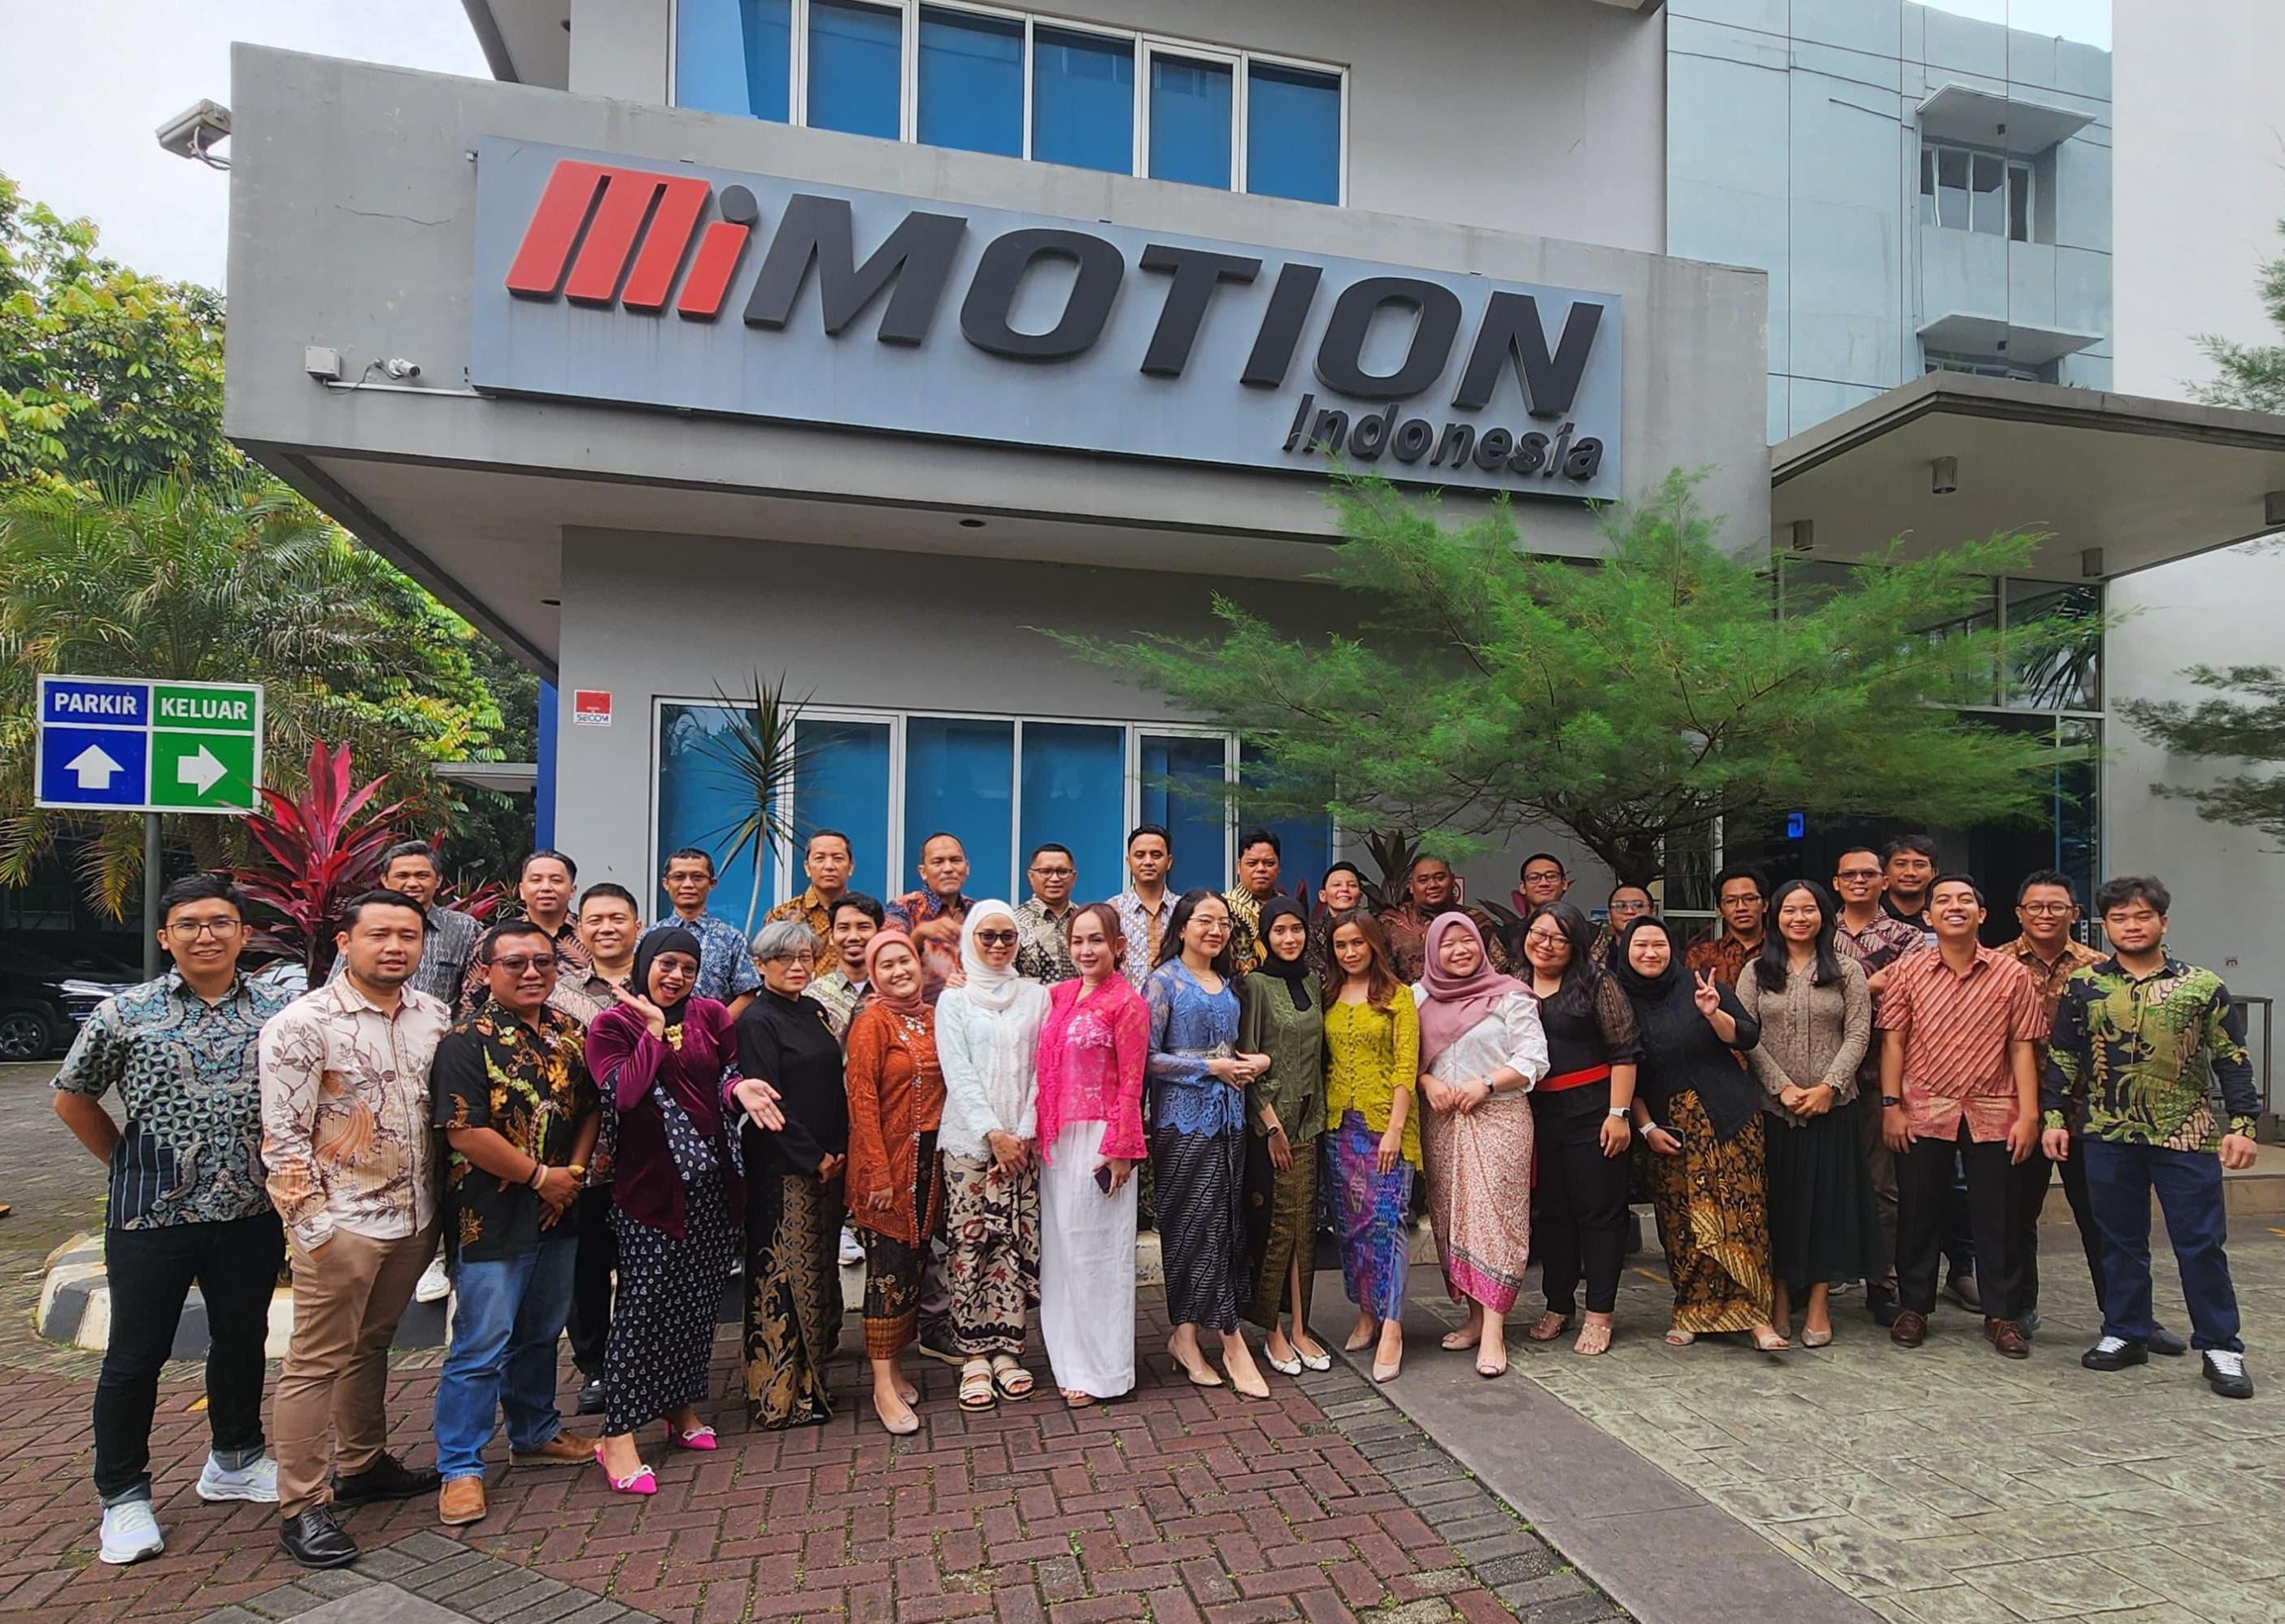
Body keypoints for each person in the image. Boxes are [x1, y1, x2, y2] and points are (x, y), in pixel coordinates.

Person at [52, 874, 291, 1567]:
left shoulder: (276, 1011)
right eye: (188, 924)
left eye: (220, 922)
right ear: (165, 937)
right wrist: (125, 1162)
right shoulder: (126, 1013)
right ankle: (123, 1495)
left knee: (242, 1339)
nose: (206, 934)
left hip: (250, 1210)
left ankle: (236, 1457)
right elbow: (73, 1096)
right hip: (152, 1216)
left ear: (244, 933)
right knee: (135, 1357)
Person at [259, 889, 450, 1568]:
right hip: (343, 1224)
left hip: (415, 1219)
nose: (395, 946)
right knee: (314, 1361)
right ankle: (303, 1506)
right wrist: (315, 1230)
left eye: (408, 934)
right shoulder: (303, 1024)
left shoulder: (435, 1016)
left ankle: (364, 1465)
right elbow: (282, 1141)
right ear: (345, 941)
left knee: (372, 1345)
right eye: (380, 934)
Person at [2045, 877, 2258, 1400]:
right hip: (2108, 1134)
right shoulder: (2086, 985)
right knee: (2118, 1241)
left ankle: (2220, 1345)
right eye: (2119, 918)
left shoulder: (2201, 986)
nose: (2131, 926)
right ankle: (2125, 1330)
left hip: (2185, 1133)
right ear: (2105, 925)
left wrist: (2245, 1124)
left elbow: (2231, 1057)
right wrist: (2052, 1119)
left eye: (2142, 916)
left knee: (2200, 1243)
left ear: (2163, 921)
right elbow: (2064, 1058)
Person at [429, 921, 600, 1526]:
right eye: (515, 962)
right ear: (486, 971)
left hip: (560, 1209)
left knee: (539, 1331)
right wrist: (538, 1178)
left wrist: (572, 1173)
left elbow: (589, 1109)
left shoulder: (569, 1033)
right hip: (491, 1216)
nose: (532, 972)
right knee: (480, 1343)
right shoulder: (464, 1042)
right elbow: (463, 1130)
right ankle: (460, 1466)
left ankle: (534, 1432)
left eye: (543, 961)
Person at [586, 928, 765, 1494]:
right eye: (666, 963)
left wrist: (740, 1090)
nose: (677, 976)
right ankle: (617, 1434)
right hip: (650, 1188)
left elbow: (727, 1073)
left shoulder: (712, 1013)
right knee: (642, 1306)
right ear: (644, 964)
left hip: (711, 1182)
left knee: (695, 1301)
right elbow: (625, 1093)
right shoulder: (612, 1024)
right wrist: (654, 1031)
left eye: (688, 967)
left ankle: (679, 1408)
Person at [1877, 875, 2043, 1358]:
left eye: (1965, 899)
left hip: (1995, 1111)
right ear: (1927, 917)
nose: (1955, 907)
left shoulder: (2011, 973)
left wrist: (2029, 1114)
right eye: (1943, 901)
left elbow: (2022, 1047)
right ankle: (1914, 1307)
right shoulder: (1908, 972)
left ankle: (2002, 1314)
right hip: (1923, 1109)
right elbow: (1893, 1042)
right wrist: (1891, 1107)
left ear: (1982, 914)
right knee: (1918, 1210)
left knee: (1999, 1215)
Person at [1614, 917, 1786, 1351]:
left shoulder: (1700, 985)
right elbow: (1623, 1067)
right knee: (1683, 1225)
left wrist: (1715, 1015)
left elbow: (1747, 1036)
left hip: (1729, 1120)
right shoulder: (1617, 998)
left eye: (1658, 944)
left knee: (1740, 1221)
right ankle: (1692, 1310)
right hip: (1668, 1130)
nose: (1650, 953)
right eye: (1640, 946)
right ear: (1626, 951)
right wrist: (1646, 1126)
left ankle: (1756, 1318)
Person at [1734, 881, 1880, 1348]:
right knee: (1779, 1207)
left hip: (1833, 1107)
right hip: (1772, 1110)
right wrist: (1783, 1088)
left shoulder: (1847, 971)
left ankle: (1819, 1302)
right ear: (1775, 916)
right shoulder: (1756, 972)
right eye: (1790, 910)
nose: (1800, 918)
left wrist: (1827, 1088)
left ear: (1823, 915)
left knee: (1826, 1208)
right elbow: (1746, 1035)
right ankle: (1779, 1297)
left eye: (1809, 909)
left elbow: (1859, 1034)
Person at [2001, 871, 2140, 1343]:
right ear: (2019, 913)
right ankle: (2017, 1309)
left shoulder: (2102, 969)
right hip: (2018, 1112)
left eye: (2056, 906)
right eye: (2034, 907)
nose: (2045, 915)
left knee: (2103, 1219)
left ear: (2075, 914)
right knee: (2016, 1216)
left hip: (2088, 1115)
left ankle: (2125, 1319)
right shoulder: (1997, 965)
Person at [1145, 890, 1273, 1398]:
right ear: (1182, 926)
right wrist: (1207, 1067)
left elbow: (1234, 1050)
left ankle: (1184, 1337)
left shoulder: (1227, 983)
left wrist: (1252, 1062)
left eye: (1222, 923)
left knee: (1224, 1224)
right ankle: (1229, 1338)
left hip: (1229, 1121)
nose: (1215, 930)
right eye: (1204, 921)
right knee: (1191, 1229)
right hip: (1181, 1125)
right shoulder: (1162, 982)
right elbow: (1148, 1058)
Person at [1413, 913, 1548, 1379]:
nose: (1458, 951)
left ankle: (1494, 1328)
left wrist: (1487, 1084)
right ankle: (1473, 1318)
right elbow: (1405, 1059)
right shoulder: (1419, 998)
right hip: (1444, 1121)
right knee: (1453, 1218)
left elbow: (1534, 1059)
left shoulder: (1510, 994)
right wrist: (1427, 1081)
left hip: (1500, 1116)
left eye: (1466, 941)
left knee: (1496, 1217)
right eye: (1447, 944)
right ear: (1433, 951)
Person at [732, 921, 848, 1430]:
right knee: (782, 1279)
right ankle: (780, 1396)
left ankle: (815, 1382)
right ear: (760, 964)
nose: (797, 966)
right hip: (784, 1166)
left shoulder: (816, 1011)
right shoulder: (758, 1020)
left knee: (817, 1271)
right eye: (784, 958)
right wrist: (813, 1156)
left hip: (828, 1159)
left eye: (805, 957)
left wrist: (838, 1151)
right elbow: (768, 1104)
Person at [934, 903, 1051, 1410]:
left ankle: (1008, 1351)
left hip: (1022, 1144)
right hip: (968, 1145)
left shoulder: (1036, 996)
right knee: (971, 1246)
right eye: (987, 937)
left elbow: (1043, 1069)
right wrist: (992, 1135)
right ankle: (973, 1357)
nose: (999, 945)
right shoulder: (953, 1000)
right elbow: (956, 1073)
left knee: (1013, 1247)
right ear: (970, 939)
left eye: (1007, 936)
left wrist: (1021, 1133)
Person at [1036, 903, 1151, 1408]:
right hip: (1056, 1139)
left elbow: (1133, 1082)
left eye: (1096, 941)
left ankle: (1103, 1369)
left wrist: (1122, 1149)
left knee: (1096, 1256)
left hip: (1102, 1140)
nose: (1086, 950)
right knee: (1061, 1253)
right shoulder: (1057, 996)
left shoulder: (1127, 1004)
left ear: (1118, 946)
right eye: (1078, 941)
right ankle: (1066, 1358)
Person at [1516, 903, 1639, 1357]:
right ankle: (1558, 1303)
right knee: (1553, 1215)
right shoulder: (1512, 984)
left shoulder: (1597, 983)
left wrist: (1619, 1114)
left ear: (1576, 945)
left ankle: (1600, 1313)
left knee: (1600, 1216)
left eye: (1558, 938)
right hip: (1536, 1116)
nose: (1544, 944)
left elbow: (1625, 1051)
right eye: (1538, 933)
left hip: (1594, 1113)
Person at [843, 931, 947, 1435]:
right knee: (885, 1272)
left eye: (904, 960)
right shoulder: (871, 1023)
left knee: (911, 1265)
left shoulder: (932, 1016)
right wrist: (877, 1172)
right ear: (872, 973)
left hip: (929, 1162)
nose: (898, 971)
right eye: (885, 965)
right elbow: (861, 1102)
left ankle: (898, 1368)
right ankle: (882, 1385)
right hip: (886, 1162)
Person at [1830, 844, 1928, 1327]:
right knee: (1824, 1182)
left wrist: (1840, 988)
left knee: (1882, 1186)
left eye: (1869, 874)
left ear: (1883, 882)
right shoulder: (1813, 927)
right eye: (1850, 874)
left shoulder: (1908, 937)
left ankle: (1882, 1280)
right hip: (1820, 1077)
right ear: (1836, 882)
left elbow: (1904, 987)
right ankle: (1821, 1274)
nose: (1860, 881)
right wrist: (1864, 986)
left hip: (1878, 1076)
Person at [1322, 908, 1422, 1382]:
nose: (1350, 952)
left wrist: (1397, 1129)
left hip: (1386, 1124)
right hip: (1340, 1123)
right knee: (1352, 1224)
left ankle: (1393, 1326)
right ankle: (1366, 1310)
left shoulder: (1398, 998)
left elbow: (1406, 1067)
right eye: (1341, 945)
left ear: (1374, 945)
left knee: (1389, 1222)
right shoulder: (1328, 995)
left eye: (1357, 944)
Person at [1236, 897, 1330, 1377]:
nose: (1289, 939)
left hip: (1310, 1123)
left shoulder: (1314, 981)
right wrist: (1269, 1125)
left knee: (1302, 1231)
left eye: (1296, 930)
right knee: (1274, 1227)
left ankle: (1300, 1328)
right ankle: (1271, 1329)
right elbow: (1246, 1058)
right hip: (1270, 1127)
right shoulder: (1253, 984)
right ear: (1265, 936)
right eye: (1279, 931)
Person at [566, 882, 642, 1415]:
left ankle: (640, 1359)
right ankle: (594, 1366)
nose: (607, 927)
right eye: (595, 919)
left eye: (618, 917)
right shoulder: (556, 989)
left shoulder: (663, 979)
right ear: (581, 927)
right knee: (587, 1266)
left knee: (646, 1263)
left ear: (637, 924)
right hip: (585, 1154)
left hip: (650, 1151)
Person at [322, 840, 481, 1004]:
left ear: (438, 880)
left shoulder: (463, 928)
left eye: (422, 876)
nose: (412, 884)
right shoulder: (364, 923)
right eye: (402, 876)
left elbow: (476, 992)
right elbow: (336, 985)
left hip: (436, 1027)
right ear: (385, 880)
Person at [459, 850, 590, 1017]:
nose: (546, 888)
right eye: (536, 880)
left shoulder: (591, 937)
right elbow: (470, 1003)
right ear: (521, 890)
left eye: (556, 881)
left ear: (572, 890)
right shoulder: (494, 939)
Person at [647, 848, 763, 1018]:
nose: (688, 885)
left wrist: (716, 1027)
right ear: (665, 883)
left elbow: (748, 993)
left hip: (715, 1038)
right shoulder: (650, 937)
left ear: (712, 883)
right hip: (657, 1033)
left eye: (697, 877)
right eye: (679, 877)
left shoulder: (731, 938)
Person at [1378, 856, 1508, 983]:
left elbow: (1499, 970)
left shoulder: (1476, 920)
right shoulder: (1390, 923)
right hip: (1409, 1002)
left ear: (1452, 881)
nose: (1433, 885)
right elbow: (1380, 976)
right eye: (1423, 880)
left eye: (1440, 878)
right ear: (1411, 886)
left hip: (1471, 1000)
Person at [886, 832, 974, 1002]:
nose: (948, 869)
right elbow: (887, 957)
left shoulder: (976, 912)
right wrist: (919, 935)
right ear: (923, 872)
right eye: (938, 862)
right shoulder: (903, 907)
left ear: (967, 867)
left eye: (955, 860)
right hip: (918, 1015)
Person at [809, 892, 884, 1040]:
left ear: (879, 934)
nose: (853, 937)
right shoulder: (814, 995)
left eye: (863, 927)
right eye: (844, 928)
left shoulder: (894, 991)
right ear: (831, 937)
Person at [1112, 824, 1178, 987]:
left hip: (1177, 1009)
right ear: (1128, 861)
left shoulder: (1185, 909)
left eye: (1156, 855)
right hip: (1127, 1007)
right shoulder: (1112, 910)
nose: (1148, 862)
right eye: (1140, 855)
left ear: (1169, 861)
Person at [764, 829, 855, 946]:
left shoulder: (865, 915)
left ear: (850, 867)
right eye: (820, 858)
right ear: (807, 868)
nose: (829, 866)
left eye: (837, 858)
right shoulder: (781, 916)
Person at [1686, 863, 1767, 987]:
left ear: (1765, 905)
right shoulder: (1701, 955)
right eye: (1730, 901)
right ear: (1719, 910)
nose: (1741, 908)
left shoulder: (1784, 951)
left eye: (1750, 899)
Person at [1012, 843, 1082, 985]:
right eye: (1045, 871)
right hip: (1032, 1004)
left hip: (1081, 1005)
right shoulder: (1013, 921)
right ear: (1031, 876)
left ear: (1073, 877)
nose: (1055, 878)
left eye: (1062, 871)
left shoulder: (1084, 919)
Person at [1224, 829, 1285, 974]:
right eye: (1252, 863)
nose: (1261, 869)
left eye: (1269, 863)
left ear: (1279, 867)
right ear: (1238, 867)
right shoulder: (1222, 908)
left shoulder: (1288, 908)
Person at [1310, 861, 1368, 976]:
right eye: (1337, 885)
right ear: (1323, 895)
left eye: (1352, 885)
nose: (1345, 889)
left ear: (1360, 896)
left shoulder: (1372, 930)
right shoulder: (1311, 932)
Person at [1881, 835, 1941, 934]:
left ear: (1934, 873)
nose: (1910, 873)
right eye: (1901, 864)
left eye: (1920, 865)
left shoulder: (1944, 916)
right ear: (1885, 871)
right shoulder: (1870, 914)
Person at [1591, 883, 1654, 969]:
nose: (1629, 911)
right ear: (1609, 916)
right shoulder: (1595, 961)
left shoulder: (1668, 956)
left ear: (1653, 914)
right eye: (1620, 906)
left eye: (1638, 905)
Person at [1512, 853, 1570, 917]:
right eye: (1534, 878)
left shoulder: (1577, 927)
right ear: (1523, 887)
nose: (1544, 883)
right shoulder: (1512, 928)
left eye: (1551, 876)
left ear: (1564, 883)